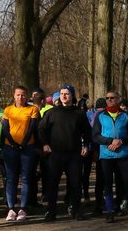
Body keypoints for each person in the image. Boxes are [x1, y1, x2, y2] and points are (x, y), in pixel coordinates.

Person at [92, 91, 128, 224]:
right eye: (108, 98)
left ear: (118, 99)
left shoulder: (125, 116)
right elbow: (95, 136)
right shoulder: (100, 115)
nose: (110, 100)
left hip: (123, 154)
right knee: (108, 184)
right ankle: (110, 211)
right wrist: (110, 141)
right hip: (106, 155)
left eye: (113, 98)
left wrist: (121, 141)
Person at [38, 85, 91, 221]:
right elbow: (41, 129)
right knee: (52, 183)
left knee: (75, 183)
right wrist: (44, 144)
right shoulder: (51, 113)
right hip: (55, 154)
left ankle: (76, 210)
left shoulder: (79, 113)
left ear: (72, 96)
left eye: (67, 93)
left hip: (73, 154)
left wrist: (86, 146)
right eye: (62, 93)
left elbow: (87, 131)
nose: (64, 96)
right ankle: (51, 211)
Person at [1, 86, 40, 222]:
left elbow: (32, 127)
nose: (20, 97)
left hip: (27, 148)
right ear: (14, 96)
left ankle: (23, 208)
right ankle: (11, 209)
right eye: (18, 95)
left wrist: (23, 143)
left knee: (26, 178)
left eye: (23, 95)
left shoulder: (32, 109)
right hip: (10, 148)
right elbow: (5, 128)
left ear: (27, 96)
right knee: (11, 179)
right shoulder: (8, 110)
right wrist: (13, 142)